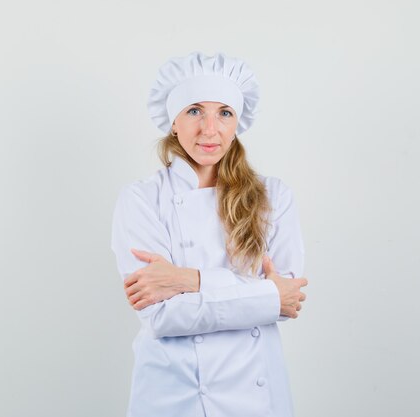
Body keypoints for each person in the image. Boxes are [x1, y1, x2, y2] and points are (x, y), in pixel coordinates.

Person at [110, 52, 309, 417]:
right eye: (194, 111)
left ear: (237, 123)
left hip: (256, 395)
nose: (209, 129)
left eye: (224, 113)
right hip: (173, 393)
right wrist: (262, 295)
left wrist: (187, 279)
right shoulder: (141, 199)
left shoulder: (273, 196)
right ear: (173, 122)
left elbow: (288, 300)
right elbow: (163, 318)